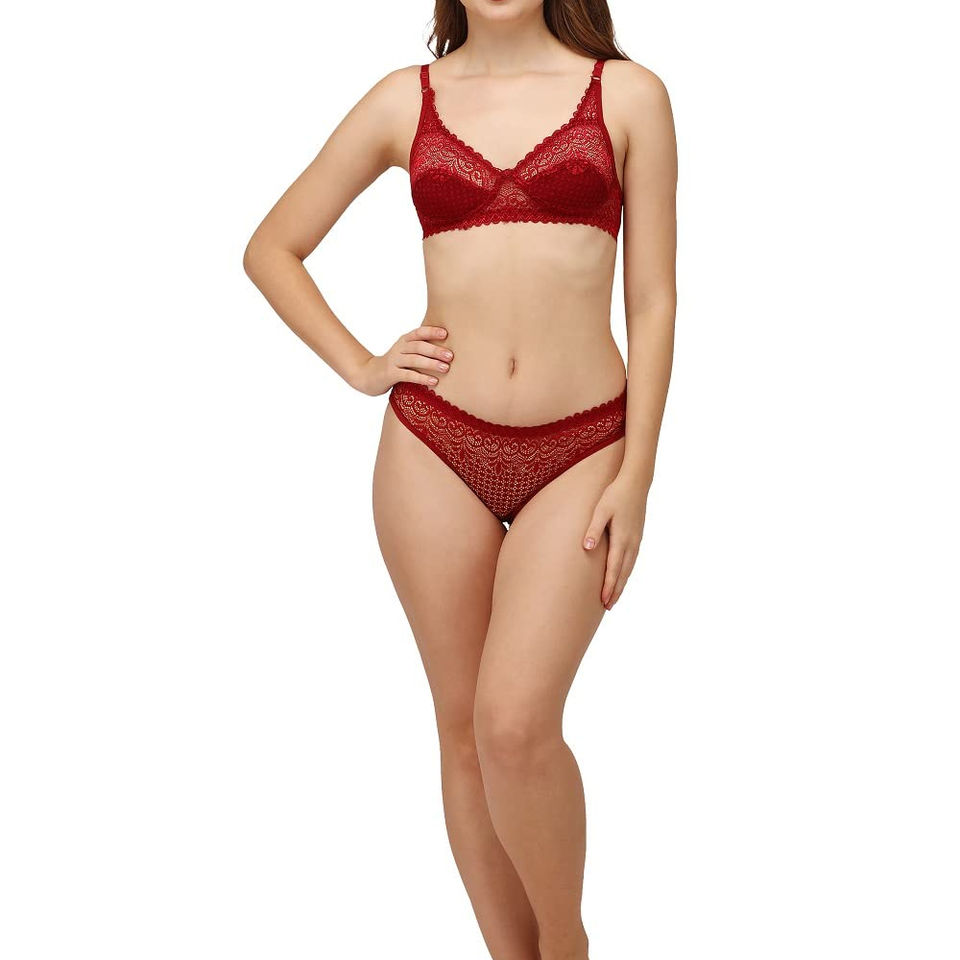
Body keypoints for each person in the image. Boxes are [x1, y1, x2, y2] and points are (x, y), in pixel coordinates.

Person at [242, 2, 677, 957]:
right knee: (464, 732)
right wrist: (364, 365)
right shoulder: (405, 100)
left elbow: (651, 297)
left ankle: (565, 947)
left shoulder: (629, 96)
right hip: (434, 445)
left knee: (515, 722)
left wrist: (639, 472)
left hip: (584, 447)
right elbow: (271, 248)